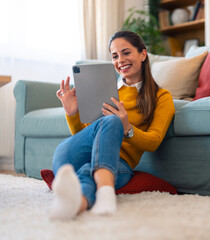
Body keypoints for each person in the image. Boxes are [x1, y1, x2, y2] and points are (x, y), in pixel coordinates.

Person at [50, 31, 175, 220]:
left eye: (126, 53)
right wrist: (72, 113)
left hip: (119, 165)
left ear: (143, 54)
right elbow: (82, 135)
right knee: (111, 121)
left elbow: (154, 141)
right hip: (68, 156)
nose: (120, 60)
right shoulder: (107, 91)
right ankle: (106, 193)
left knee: (87, 171)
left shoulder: (161, 97)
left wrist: (128, 128)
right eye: (115, 56)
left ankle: (76, 205)